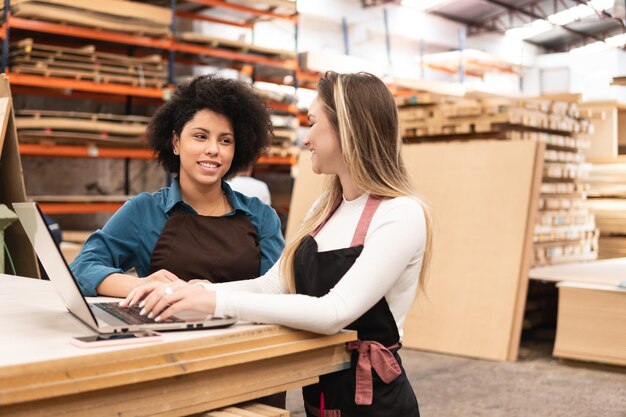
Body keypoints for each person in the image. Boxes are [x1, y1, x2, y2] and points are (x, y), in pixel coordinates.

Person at [122, 71, 432, 417]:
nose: (306, 139)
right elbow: (275, 284)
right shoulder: (326, 208)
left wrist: (214, 301)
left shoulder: (401, 214)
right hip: (324, 396)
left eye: (313, 123)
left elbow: (334, 312)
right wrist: (200, 290)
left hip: (376, 404)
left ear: (347, 129)